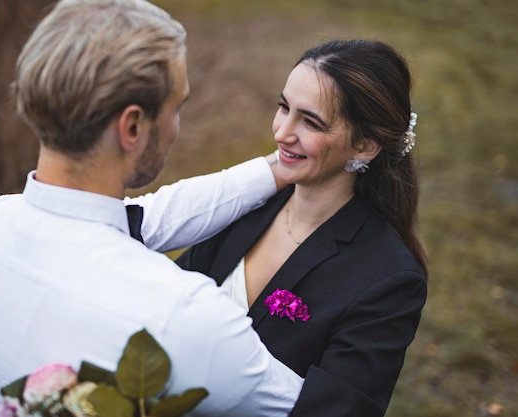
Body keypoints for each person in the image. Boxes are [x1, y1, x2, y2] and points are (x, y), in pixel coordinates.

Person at [0, 1, 304, 416]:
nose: (176, 126)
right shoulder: (185, 317)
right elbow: (317, 408)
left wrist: (281, 166)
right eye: (177, 107)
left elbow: (146, 219)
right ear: (132, 127)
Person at [176, 39, 428, 417]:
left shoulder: (389, 280)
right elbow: (169, 300)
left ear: (365, 146)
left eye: (310, 122)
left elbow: (340, 408)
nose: (282, 132)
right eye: (284, 107)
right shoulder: (246, 205)